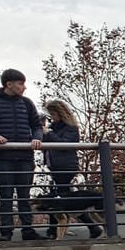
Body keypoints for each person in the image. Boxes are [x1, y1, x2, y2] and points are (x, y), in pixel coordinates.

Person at [0, 68, 46, 240]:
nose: (24, 87)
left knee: (24, 195)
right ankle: (6, 232)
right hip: (3, 157)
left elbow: (37, 125)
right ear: (9, 84)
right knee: (6, 195)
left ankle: (27, 230)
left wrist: (36, 139)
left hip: (25, 156)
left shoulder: (27, 103)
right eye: (21, 83)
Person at [42, 98, 100, 238]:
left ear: (60, 114)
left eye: (53, 115)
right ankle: (92, 227)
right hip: (55, 167)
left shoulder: (70, 128)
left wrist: (48, 134)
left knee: (57, 199)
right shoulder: (54, 128)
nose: (52, 118)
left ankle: (53, 230)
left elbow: (65, 144)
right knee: (63, 199)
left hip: (65, 167)